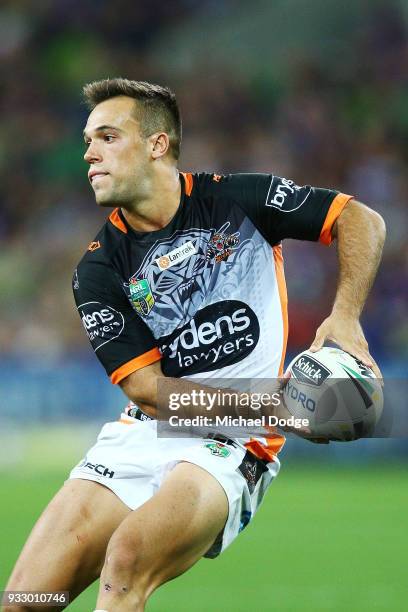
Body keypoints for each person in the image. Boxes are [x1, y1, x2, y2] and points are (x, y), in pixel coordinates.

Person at [5, 78, 385, 612]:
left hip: (231, 443)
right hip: (146, 432)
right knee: (26, 599)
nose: (89, 152)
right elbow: (147, 391)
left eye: (108, 136)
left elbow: (359, 218)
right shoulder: (98, 268)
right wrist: (275, 404)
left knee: (126, 563)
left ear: (157, 145)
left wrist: (344, 317)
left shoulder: (238, 199)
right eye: (88, 140)